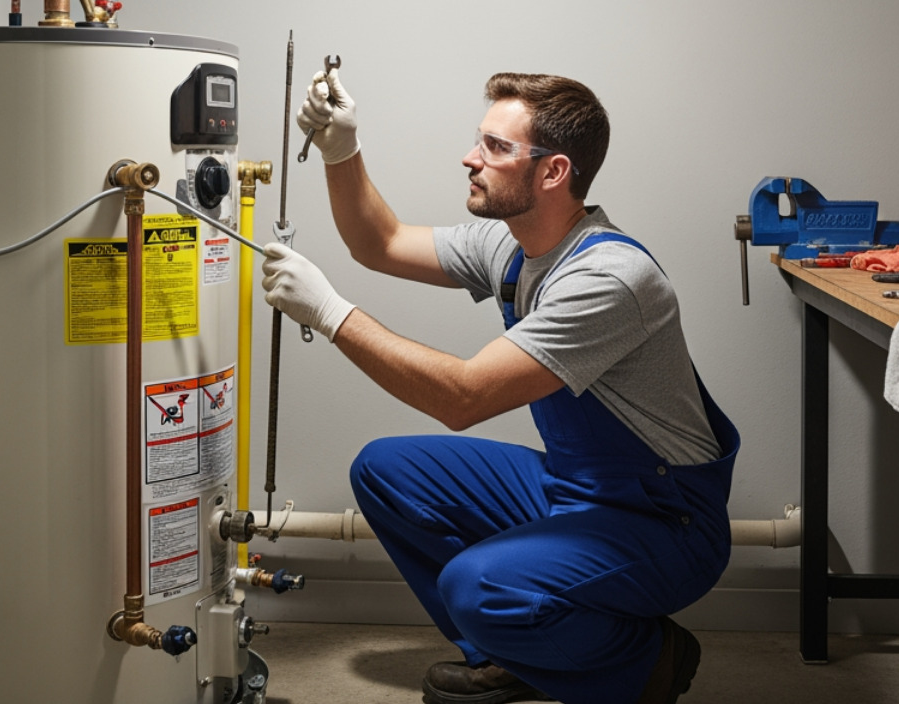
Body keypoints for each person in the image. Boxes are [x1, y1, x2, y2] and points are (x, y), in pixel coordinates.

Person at [261, 70, 740, 704]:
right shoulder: (512, 246)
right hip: (578, 489)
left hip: (664, 520)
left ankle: (647, 663)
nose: (471, 157)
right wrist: (341, 150)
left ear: (552, 172)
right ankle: (515, 656)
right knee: (386, 470)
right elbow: (379, 242)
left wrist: (329, 314)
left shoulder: (610, 278)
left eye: (496, 146)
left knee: (475, 586)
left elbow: (462, 398)